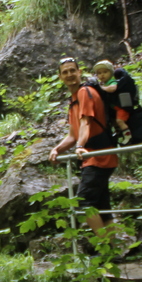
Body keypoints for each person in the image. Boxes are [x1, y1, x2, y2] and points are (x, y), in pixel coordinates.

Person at [48, 57, 118, 235]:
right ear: (60, 77)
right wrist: (57, 149)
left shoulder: (84, 92)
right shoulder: (73, 101)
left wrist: (80, 146)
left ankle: (104, 248)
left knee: (85, 202)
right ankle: (113, 251)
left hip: (99, 156)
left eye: (73, 70)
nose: (70, 74)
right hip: (96, 156)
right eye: (65, 72)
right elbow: (73, 135)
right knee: (101, 205)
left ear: (80, 72)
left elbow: (86, 123)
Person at [92, 60, 132, 146]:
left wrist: (101, 88)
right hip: (115, 109)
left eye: (105, 72)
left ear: (111, 72)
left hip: (122, 108)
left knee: (120, 121)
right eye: (99, 73)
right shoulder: (104, 83)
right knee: (114, 122)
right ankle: (119, 134)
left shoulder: (112, 82)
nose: (102, 75)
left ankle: (128, 137)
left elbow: (113, 88)